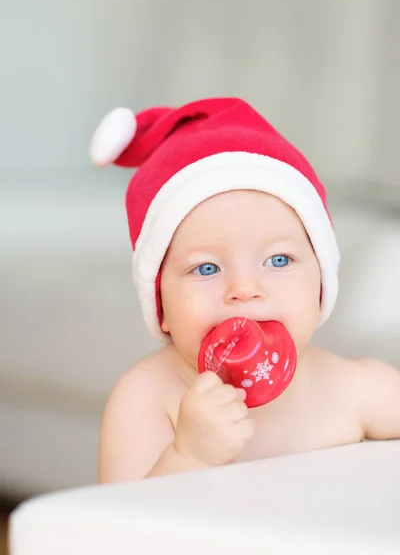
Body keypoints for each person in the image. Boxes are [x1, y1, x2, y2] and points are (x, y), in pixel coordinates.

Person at [89, 97, 400, 483]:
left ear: (321, 281)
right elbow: (115, 529)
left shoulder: (357, 387)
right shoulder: (148, 399)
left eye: (279, 260)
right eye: (207, 268)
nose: (245, 289)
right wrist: (188, 456)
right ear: (161, 305)